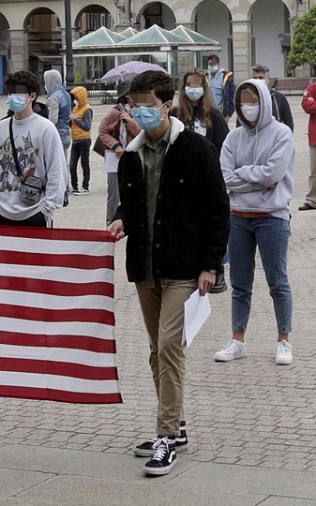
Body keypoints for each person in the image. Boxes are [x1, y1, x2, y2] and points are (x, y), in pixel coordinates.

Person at [108, 70, 229, 477]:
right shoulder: (130, 157)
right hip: (145, 267)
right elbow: (128, 204)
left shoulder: (195, 149)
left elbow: (217, 209)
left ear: (166, 105)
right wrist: (121, 220)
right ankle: (176, 426)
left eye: (146, 104)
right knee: (156, 352)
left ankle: (164, 436)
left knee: (169, 347)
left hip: (184, 267)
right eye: (134, 104)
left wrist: (211, 264)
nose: (138, 111)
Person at [213, 79, 295, 366]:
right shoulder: (233, 138)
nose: (248, 106)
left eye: (253, 99)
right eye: (243, 100)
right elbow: (225, 177)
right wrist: (256, 182)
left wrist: (243, 177)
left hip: (272, 218)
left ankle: (284, 340)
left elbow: (273, 174)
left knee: (278, 282)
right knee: (240, 283)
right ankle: (238, 339)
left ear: (265, 101)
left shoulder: (281, 134)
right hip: (238, 218)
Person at [172, 68, 232, 293]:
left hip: (208, 179)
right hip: (181, 181)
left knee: (213, 224)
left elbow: (225, 148)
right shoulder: (176, 115)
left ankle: (218, 268)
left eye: (197, 85)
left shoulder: (213, 117)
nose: (193, 89)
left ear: (204, 88)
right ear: (183, 87)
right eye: (189, 84)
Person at [0, 71, 67, 227]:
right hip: (2, 212)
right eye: (10, 93)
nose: (12, 97)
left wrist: (47, 209)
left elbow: (56, 171)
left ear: (32, 96)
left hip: (36, 212)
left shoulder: (46, 129)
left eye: (18, 93)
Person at [97, 82, 141, 225]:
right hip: (115, 158)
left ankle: (133, 221)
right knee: (114, 193)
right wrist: (116, 146)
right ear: (127, 95)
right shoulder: (116, 112)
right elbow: (102, 131)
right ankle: (111, 222)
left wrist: (130, 122)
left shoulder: (140, 111)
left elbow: (141, 133)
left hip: (135, 155)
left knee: (135, 190)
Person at [43, 69, 73, 207]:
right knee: (63, 163)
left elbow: (52, 119)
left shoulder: (53, 97)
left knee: (56, 165)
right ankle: (66, 190)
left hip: (57, 134)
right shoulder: (65, 94)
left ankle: (61, 193)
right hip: (66, 132)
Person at [249, 64, 293, 132]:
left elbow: (288, 121)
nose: (257, 80)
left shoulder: (279, 97)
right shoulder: (247, 97)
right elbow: (240, 122)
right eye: (255, 78)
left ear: (268, 79)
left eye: (261, 78)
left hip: (275, 136)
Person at [69, 86, 92, 195]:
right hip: (75, 139)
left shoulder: (87, 109)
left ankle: (85, 186)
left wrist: (76, 119)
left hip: (84, 140)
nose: (75, 100)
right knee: (72, 165)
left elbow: (87, 126)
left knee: (84, 163)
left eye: (76, 97)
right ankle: (74, 186)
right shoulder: (75, 109)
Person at [206, 54, 235, 121]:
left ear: (218, 64)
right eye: (210, 64)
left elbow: (232, 95)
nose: (212, 66)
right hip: (208, 113)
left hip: (222, 114)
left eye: (214, 64)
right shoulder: (206, 78)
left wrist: (229, 113)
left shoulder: (226, 77)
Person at [301, 81, 316, 211]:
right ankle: (312, 200)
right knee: (314, 170)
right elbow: (307, 106)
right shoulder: (312, 87)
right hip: (315, 136)